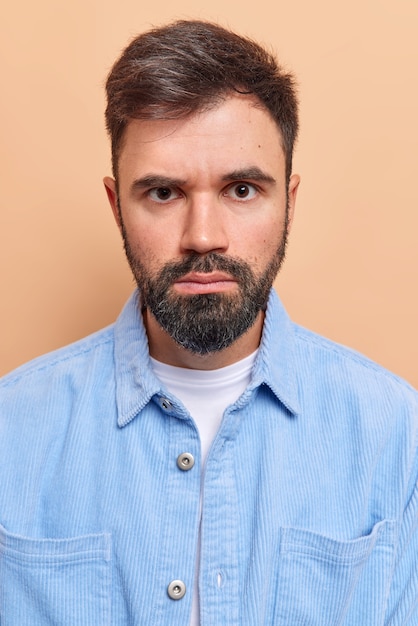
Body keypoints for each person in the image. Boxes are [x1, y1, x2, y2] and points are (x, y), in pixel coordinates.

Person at [0, 19, 417, 626]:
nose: (203, 238)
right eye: (164, 193)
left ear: (290, 203)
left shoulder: (396, 436)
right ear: (117, 207)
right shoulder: (10, 431)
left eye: (242, 189)